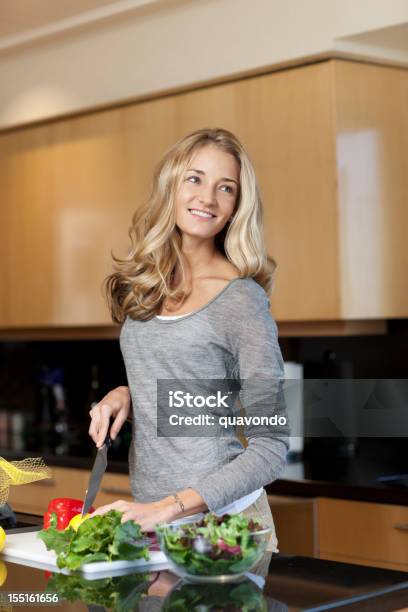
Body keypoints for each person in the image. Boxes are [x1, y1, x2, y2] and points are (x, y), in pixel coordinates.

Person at [89, 127, 289, 558]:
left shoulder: (241, 299)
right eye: (195, 179)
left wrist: (169, 507)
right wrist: (129, 393)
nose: (208, 198)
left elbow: (272, 448)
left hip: (225, 530)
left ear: (237, 205)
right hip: (155, 522)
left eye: (226, 188)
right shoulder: (144, 285)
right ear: (171, 186)